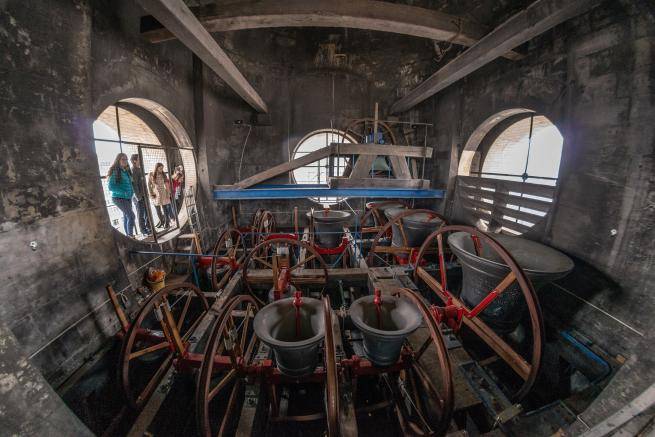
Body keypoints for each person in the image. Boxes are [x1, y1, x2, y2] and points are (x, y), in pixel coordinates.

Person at [107, 153, 135, 236]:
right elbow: (111, 187)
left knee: (127, 216)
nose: (125, 161)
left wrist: (131, 192)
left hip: (127, 197)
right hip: (118, 198)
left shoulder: (125, 171)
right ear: (118, 160)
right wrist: (124, 192)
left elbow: (130, 183)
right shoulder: (116, 171)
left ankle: (128, 236)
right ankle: (131, 236)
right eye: (123, 159)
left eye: (126, 159)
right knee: (131, 216)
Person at [148, 162, 175, 228]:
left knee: (165, 208)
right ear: (156, 168)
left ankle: (167, 222)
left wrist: (168, 193)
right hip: (156, 194)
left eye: (162, 168)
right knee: (158, 208)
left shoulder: (163, 174)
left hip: (163, 193)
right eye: (160, 168)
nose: (161, 169)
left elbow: (167, 185)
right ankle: (162, 221)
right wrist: (151, 193)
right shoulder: (151, 174)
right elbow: (149, 185)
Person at [130, 154, 151, 236]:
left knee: (147, 213)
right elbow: (134, 185)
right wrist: (138, 197)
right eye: (139, 158)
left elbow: (143, 183)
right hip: (138, 197)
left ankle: (149, 228)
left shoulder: (140, 169)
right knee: (141, 214)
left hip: (144, 195)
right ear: (134, 160)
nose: (141, 160)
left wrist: (146, 193)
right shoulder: (133, 170)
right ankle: (143, 231)